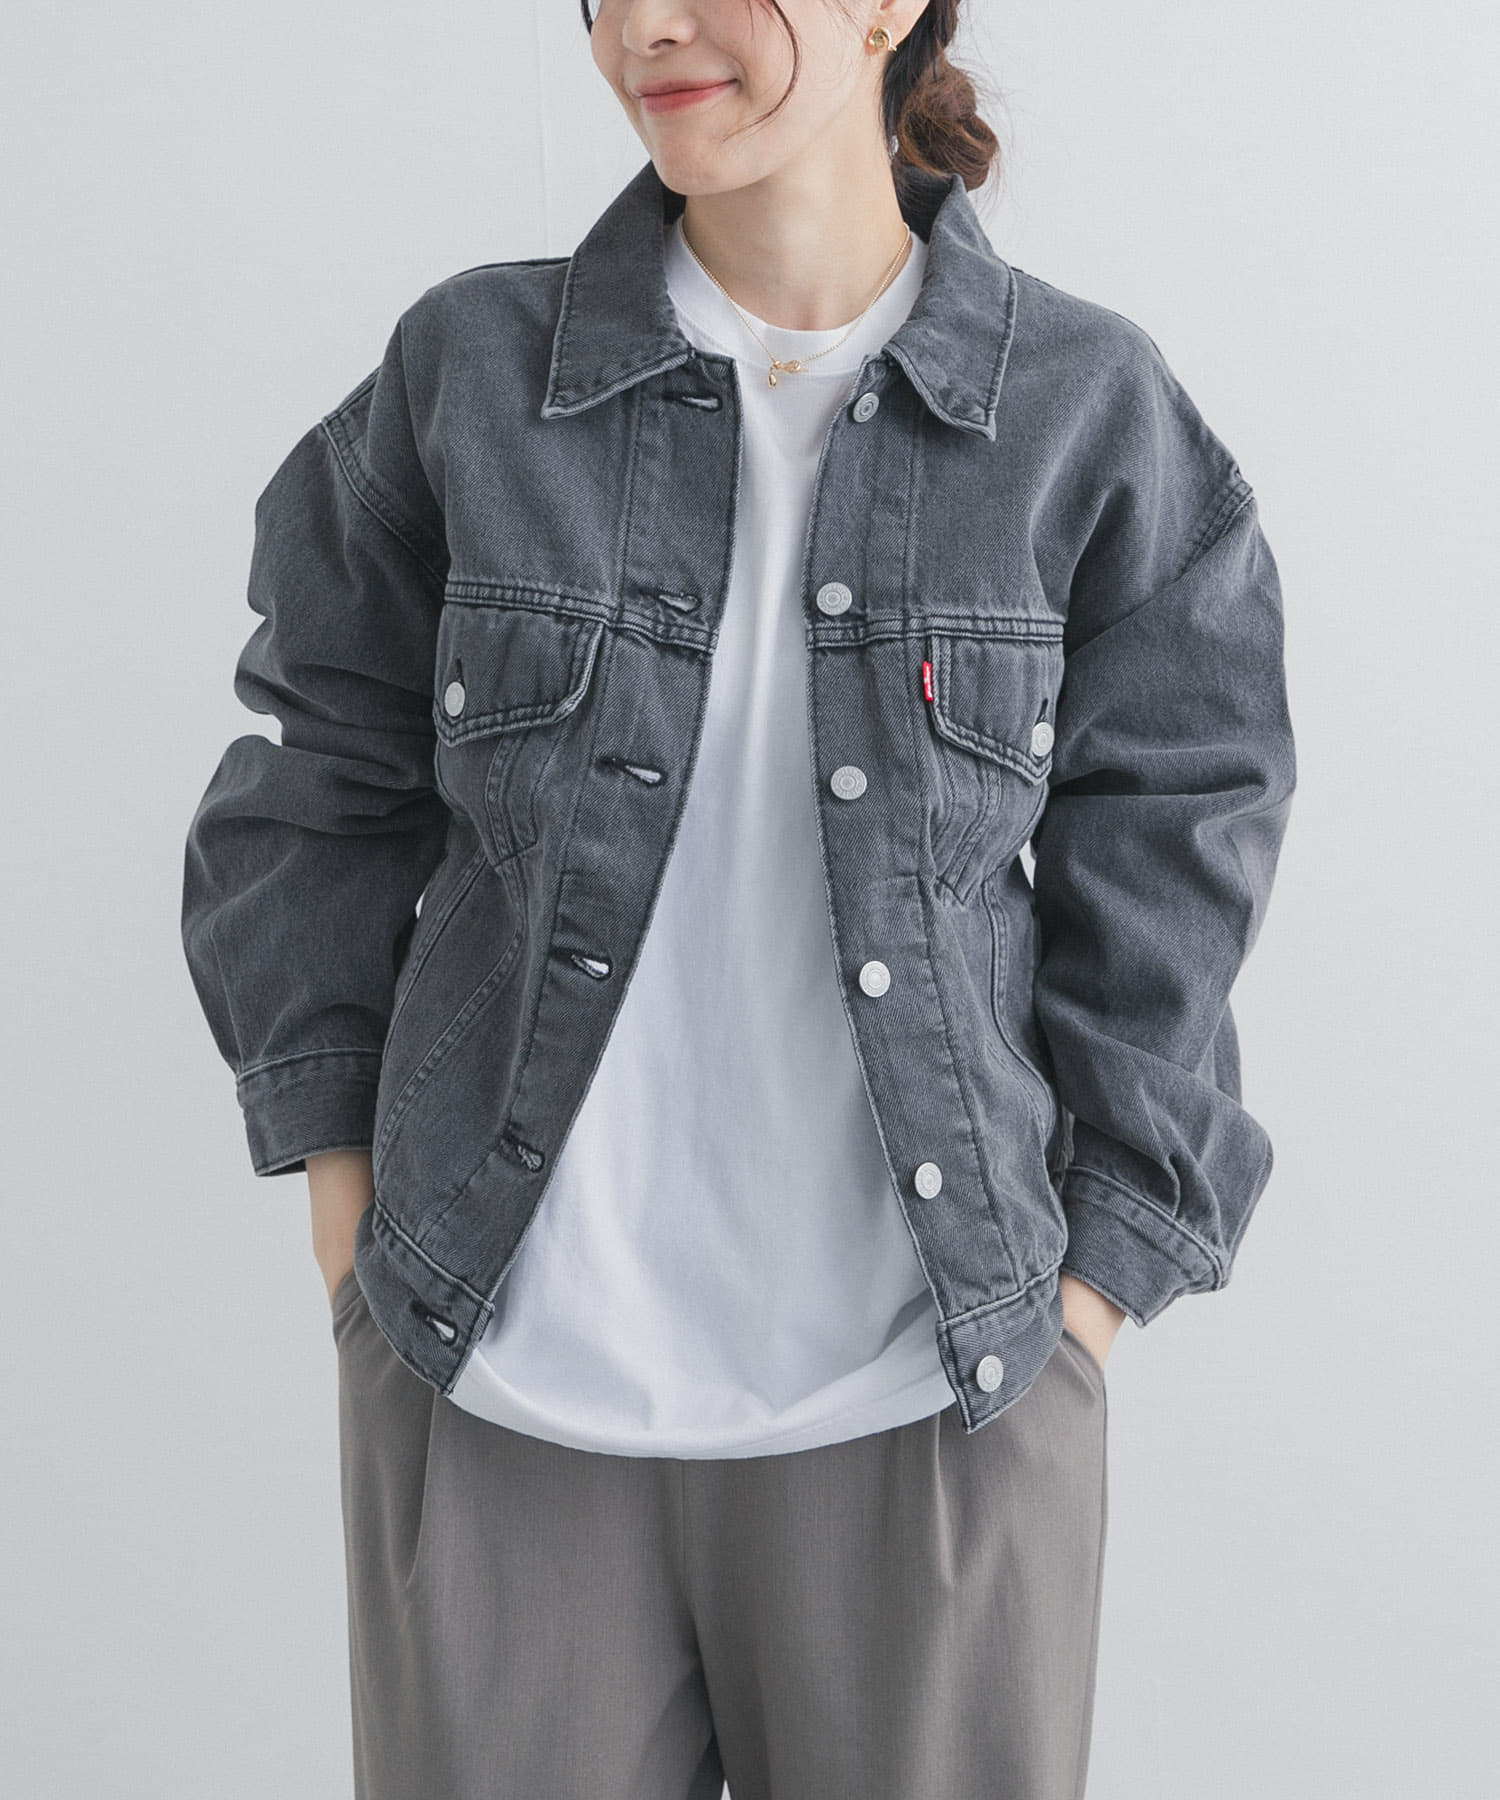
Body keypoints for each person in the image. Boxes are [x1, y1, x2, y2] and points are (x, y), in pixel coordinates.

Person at [181, 2, 1295, 1795]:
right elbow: (317, 777)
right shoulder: (470, 372)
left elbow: (1185, 820)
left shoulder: (1085, 411)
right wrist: (341, 1195)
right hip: (498, 1385)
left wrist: (1095, 1282)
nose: (651, 23)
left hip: (935, 1401)